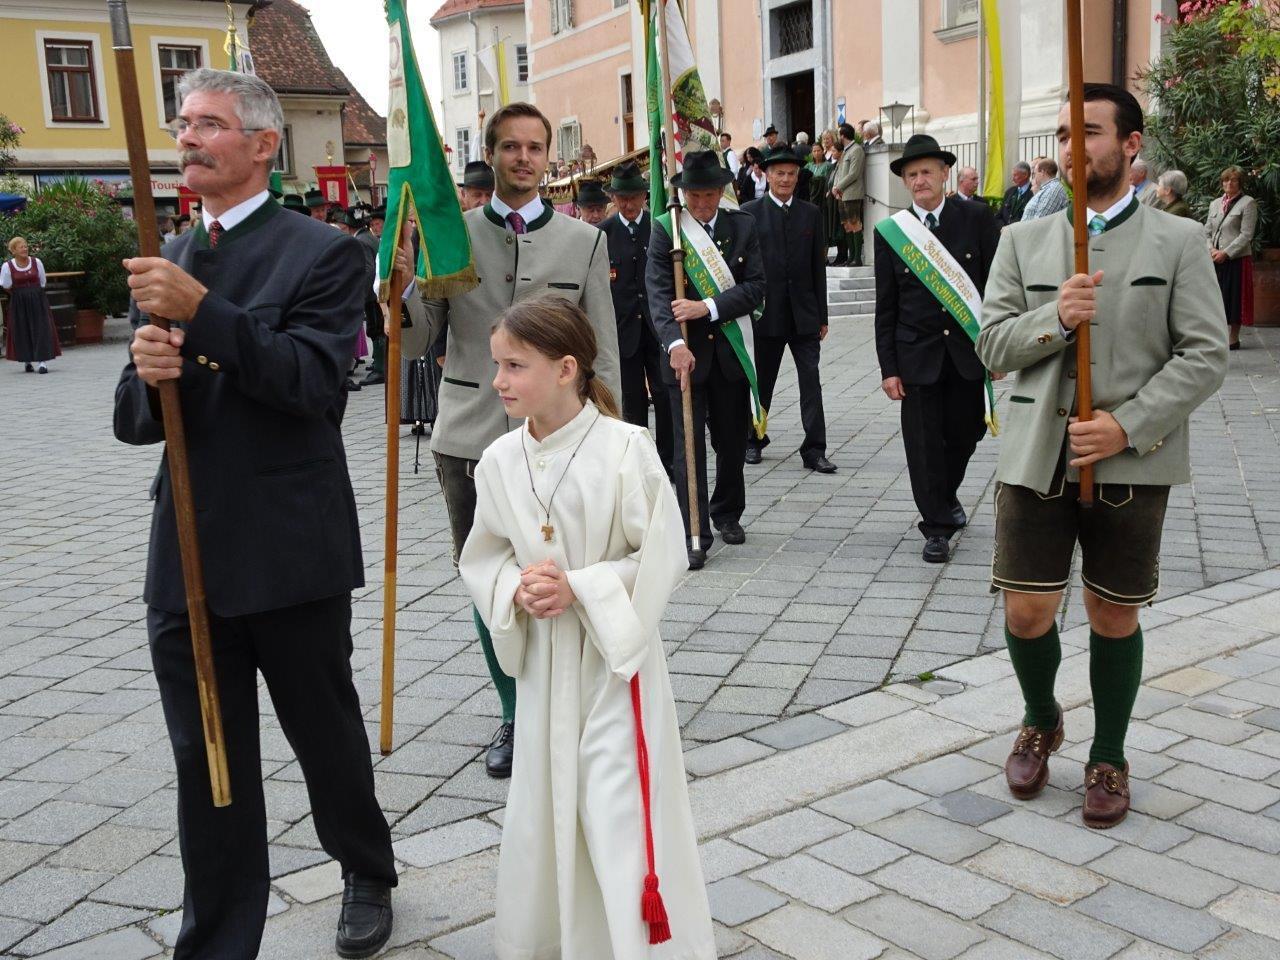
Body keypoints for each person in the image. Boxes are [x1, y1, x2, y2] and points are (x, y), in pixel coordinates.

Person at [112, 68, 396, 959]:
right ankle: (219, 938)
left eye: (208, 124)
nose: (187, 139)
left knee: (324, 733)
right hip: (187, 548)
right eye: (182, 124)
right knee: (207, 759)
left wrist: (203, 315)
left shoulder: (322, 252)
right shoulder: (170, 252)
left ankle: (365, 867)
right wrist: (148, 374)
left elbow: (312, 385)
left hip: (289, 545)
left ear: (264, 144)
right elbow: (132, 421)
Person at [977, 82, 1227, 830]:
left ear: (1130, 143)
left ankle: (1109, 755)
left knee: (1112, 614)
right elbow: (991, 345)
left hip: (1132, 461)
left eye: (1088, 131)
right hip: (1035, 455)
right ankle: (1040, 717)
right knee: (1027, 610)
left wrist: (1126, 426)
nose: (1071, 147)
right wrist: (1055, 318)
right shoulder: (1023, 241)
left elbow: (1205, 354)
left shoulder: (1178, 241)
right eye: (1062, 134)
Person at [459, 297, 715, 960]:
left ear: (566, 368)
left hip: (611, 667)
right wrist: (516, 587)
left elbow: (661, 556)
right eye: (497, 365)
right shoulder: (499, 460)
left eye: (515, 365)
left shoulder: (625, 450)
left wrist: (582, 586)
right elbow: (484, 555)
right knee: (547, 809)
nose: (499, 381)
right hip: (545, 664)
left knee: (615, 808)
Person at [402, 101, 620, 779]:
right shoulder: (452, 236)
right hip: (470, 437)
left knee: (561, 573)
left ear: (548, 157)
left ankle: (573, 699)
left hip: (560, 438)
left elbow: (602, 351)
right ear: (491, 154)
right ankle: (515, 711)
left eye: (534, 147)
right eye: (510, 147)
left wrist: (612, 436)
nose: (523, 158)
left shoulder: (584, 242)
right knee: (490, 579)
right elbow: (414, 341)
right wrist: (400, 283)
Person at [873, 134, 1000, 564]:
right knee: (924, 445)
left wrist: (997, 350)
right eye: (912, 174)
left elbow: (996, 288)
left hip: (968, 353)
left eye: (927, 171)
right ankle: (937, 527)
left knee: (967, 433)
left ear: (945, 173)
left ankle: (944, 496)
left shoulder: (977, 218)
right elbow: (886, 305)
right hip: (916, 357)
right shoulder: (892, 232)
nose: (919, 180)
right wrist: (888, 367)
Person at [646, 150, 765, 570]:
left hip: (729, 352)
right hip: (685, 357)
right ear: (684, 194)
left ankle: (727, 512)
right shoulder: (668, 230)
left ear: (721, 191)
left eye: (709, 194)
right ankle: (693, 532)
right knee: (688, 447)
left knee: (731, 442)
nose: (701, 203)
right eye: (693, 195)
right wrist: (674, 345)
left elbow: (755, 288)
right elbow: (659, 294)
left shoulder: (743, 225)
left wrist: (706, 307)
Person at [742, 147, 834, 473]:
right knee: (762, 382)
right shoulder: (750, 213)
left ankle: (815, 449)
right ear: (767, 176)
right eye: (779, 173)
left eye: (791, 174)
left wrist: (822, 315)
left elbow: (817, 267)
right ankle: (753, 440)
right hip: (766, 315)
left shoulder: (811, 213)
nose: (785, 179)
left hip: (804, 315)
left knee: (811, 382)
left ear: (797, 177)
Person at [599, 161, 673, 474]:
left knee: (665, 394)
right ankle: (637, 462)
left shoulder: (659, 230)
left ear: (644, 197)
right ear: (613, 199)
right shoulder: (603, 234)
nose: (628, 205)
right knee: (632, 400)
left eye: (633, 198)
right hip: (623, 330)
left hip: (658, 328)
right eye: (621, 198)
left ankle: (668, 460)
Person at [1205, 165, 1258, 351]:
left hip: (1236, 259)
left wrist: (1226, 253)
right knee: (1215, 297)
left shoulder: (1248, 203)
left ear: (1240, 183)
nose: (1229, 183)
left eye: (1234, 180)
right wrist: (1211, 249)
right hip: (1214, 258)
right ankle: (1217, 335)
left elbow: (1246, 235)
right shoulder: (1214, 204)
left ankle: (1233, 338)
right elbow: (1207, 231)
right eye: (1226, 180)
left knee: (1235, 297)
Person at [2, 237, 61, 374]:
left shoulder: (36, 262)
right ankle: (27, 361)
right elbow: (6, 285)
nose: (25, 249)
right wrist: (20, 293)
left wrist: (32, 292)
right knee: (22, 329)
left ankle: (42, 362)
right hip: (19, 301)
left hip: (37, 299)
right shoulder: (7, 266)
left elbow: (42, 282)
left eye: (25, 246)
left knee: (41, 328)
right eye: (21, 247)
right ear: (13, 251)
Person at [830, 122, 866, 267]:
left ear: (843, 136)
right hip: (842, 194)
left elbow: (854, 174)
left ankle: (857, 258)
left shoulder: (856, 150)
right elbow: (839, 172)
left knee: (855, 223)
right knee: (846, 225)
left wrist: (838, 186)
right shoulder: (845, 151)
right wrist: (835, 187)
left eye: (838, 134)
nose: (837, 137)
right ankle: (851, 257)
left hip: (852, 193)